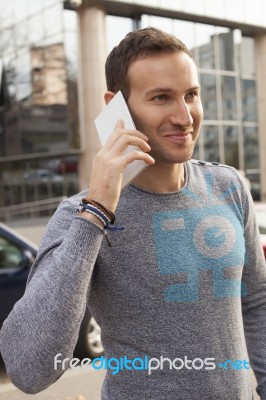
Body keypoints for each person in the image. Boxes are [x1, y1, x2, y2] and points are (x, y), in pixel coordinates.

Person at [0, 27, 266, 400]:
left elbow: (256, 301)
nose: (184, 117)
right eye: (161, 97)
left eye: (191, 95)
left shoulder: (229, 186)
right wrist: (95, 212)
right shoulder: (79, 216)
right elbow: (28, 370)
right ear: (116, 107)